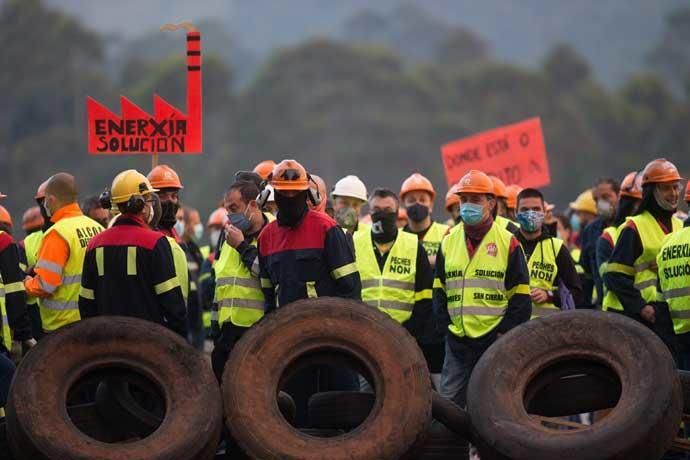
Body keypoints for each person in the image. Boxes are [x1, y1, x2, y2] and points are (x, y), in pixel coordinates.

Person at [258, 159, 361, 424]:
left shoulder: (327, 229)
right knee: (295, 414)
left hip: (332, 340)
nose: (290, 199)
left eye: (296, 193)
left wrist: (345, 337)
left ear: (309, 195)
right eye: (284, 193)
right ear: (274, 195)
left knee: (340, 408)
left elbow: (350, 290)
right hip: (290, 342)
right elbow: (269, 296)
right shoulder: (266, 237)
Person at [434, 170, 531, 407]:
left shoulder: (508, 242)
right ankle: (452, 447)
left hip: (494, 342)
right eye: (464, 200)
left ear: (491, 203)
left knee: (492, 406)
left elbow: (520, 298)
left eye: (475, 200)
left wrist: (502, 334)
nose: (468, 206)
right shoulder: (448, 241)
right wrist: (447, 327)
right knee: (449, 407)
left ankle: (483, 447)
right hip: (456, 341)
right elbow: (439, 290)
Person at [79, 170, 187, 337]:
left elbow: (86, 304)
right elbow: (173, 305)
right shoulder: (156, 243)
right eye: (149, 200)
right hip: (148, 345)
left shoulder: (94, 244)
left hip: (107, 342)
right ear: (140, 204)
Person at [353, 188, 442, 389]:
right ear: (369, 210)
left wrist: (408, 333)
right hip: (364, 335)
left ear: (397, 212)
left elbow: (425, 296)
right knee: (364, 394)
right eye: (376, 209)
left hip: (404, 336)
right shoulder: (356, 243)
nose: (381, 214)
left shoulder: (412, 245)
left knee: (404, 392)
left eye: (387, 209)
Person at [606, 159, 684, 355]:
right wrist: (641, 307)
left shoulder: (680, 226)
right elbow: (614, 275)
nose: (674, 194)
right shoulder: (635, 227)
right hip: (634, 316)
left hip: (665, 315)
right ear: (652, 192)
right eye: (666, 188)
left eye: (676, 187)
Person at [24, 173, 103, 333]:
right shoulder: (97, 228)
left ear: (51, 199)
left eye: (45, 200)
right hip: (95, 320)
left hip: (63, 327)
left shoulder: (57, 233)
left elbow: (45, 286)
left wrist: (26, 283)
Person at [211, 180, 272, 381]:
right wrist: (215, 332)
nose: (230, 216)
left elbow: (268, 274)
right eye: (227, 210)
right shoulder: (227, 238)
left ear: (253, 205)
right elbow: (219, 286)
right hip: (226, 337)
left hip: (259, 336)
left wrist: (242, 247)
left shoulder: (272, 234)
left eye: (234, 208)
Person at [514, 188, 584, 315]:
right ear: (516, 213)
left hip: (547, 329)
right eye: (525, 210)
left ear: (544, 212)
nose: (531, 214)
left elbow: (577, 293)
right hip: (513, 329)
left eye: (536, 209)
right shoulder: (506, 244)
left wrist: (549, 295)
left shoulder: (556, 248)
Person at [598, 172, 643, 313]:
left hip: (654, 309)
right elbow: (610, 278)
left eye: (605, 197)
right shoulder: (608, 237)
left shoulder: (674, 226)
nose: (600, 203)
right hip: (619, 312)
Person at [147, 165, 189, 304]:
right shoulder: (148, 234)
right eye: (163, 196)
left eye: (174, 196)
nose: (170, 201)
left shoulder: (176, 235)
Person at [580, 178, 621, 307]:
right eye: (596, 200)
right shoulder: (590, 231)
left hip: (632, 308)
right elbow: (587, 276)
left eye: (606, 197)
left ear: (619, 196)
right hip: (604, 307)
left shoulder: (631, 226)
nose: (601, 203)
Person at [400, 173, 449, 267]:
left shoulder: (446, 233)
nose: (417, 204)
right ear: (404, 205)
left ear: (431, 205)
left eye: (422, 200)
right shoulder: (397, 236)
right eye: (411, 200)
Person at [176, 206, 205, 349]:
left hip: (196, 315)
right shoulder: (174, 248)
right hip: (183, 315)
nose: (199, 227)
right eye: (195, 223)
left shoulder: (194, 250)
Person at [568, 189, 598, 305]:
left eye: (580, 213)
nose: (577, 217)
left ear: (590, 212)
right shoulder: (582, 236)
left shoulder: (597, 237)